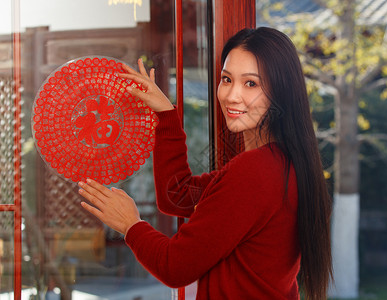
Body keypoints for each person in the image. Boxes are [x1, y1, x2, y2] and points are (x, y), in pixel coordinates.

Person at [78, 27, 333, 299]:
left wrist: (131, 225)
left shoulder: (256, 171)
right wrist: (166, 115)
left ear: (280, 91)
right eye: (226, 79)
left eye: (251, 84)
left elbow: (175, 266)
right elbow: (177, 195)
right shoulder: (281, 163)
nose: (231, 96)